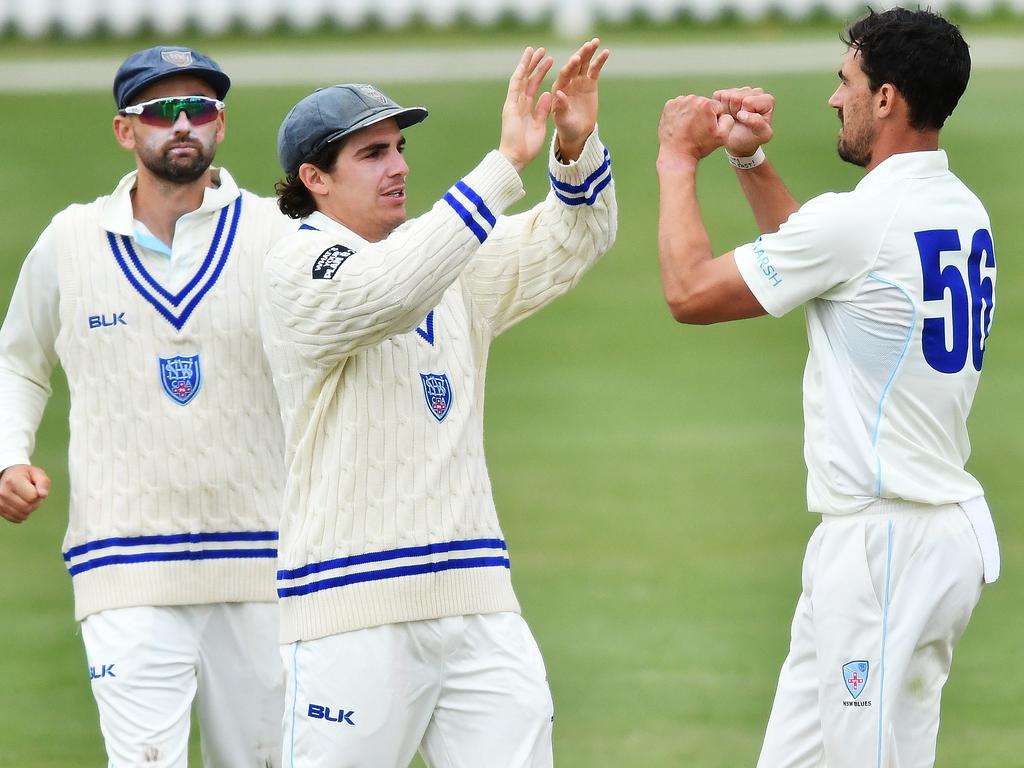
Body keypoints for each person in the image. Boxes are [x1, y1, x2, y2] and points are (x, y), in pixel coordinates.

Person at [655, 8, 997, 768]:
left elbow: (689, 293)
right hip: (909, 535)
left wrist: (680, 162)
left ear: (887, 99)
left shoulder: (864, 220)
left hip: (886, 548)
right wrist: (747, 163)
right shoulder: (957, 209)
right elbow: (823, 257)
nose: (833, 99)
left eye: (847, 82)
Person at [260, 40, 616, 767]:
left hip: (478, 600)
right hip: (352, 612)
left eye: (397, 147)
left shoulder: (445, 252)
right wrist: (503, 165)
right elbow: (386, 294)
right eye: (371, 154)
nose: (399, 167)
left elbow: (575, 240)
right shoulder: (296, 266)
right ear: (313, 179)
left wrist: (572, 147)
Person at [0, 46, 294, 766]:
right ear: (125, 132)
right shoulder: (71, 239)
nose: (183, 124)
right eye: (162, 111)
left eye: (200, 110)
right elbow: (17, 359)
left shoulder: (273, 234)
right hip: (124, 560)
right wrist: (8, 454)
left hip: (265, 560)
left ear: (221, 126)